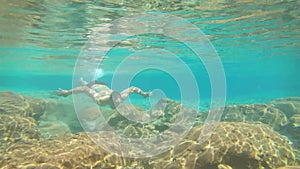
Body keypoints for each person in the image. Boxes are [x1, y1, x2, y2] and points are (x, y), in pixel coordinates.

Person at [57, 77, 152, 109]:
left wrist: (144, 94)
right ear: (110, 100)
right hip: (93, 85)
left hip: (104, 85)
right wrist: (67, 92)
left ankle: (83, 81)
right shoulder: (101, 100)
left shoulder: (120, 97)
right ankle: (82, 80)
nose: (118, 103)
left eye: (118, 102)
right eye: (116, 102)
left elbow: (132, 89)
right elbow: (84, 89)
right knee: (85, 84)